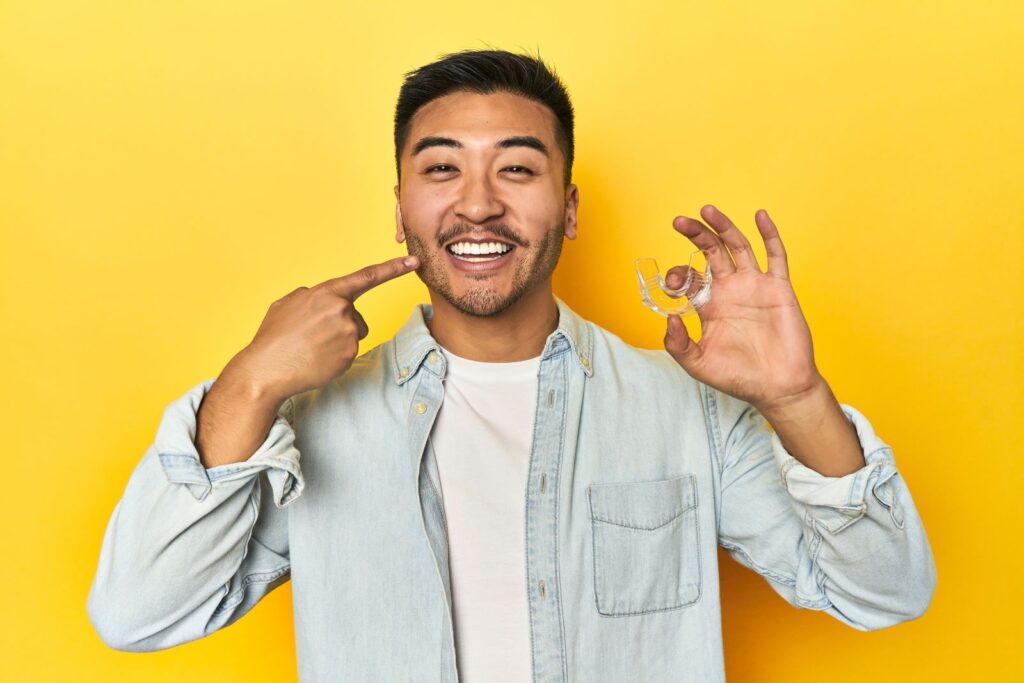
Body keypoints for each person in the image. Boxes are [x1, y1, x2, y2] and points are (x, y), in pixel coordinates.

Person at [87, 49, 936, 682]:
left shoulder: (687, 411)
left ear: (568, 209)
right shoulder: (305, 428)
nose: (480, 201)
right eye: (442, 167)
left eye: (519, 169)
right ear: (401, 210)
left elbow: (885, 594)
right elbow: (138, 615)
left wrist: (796, 397)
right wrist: (247, 383)